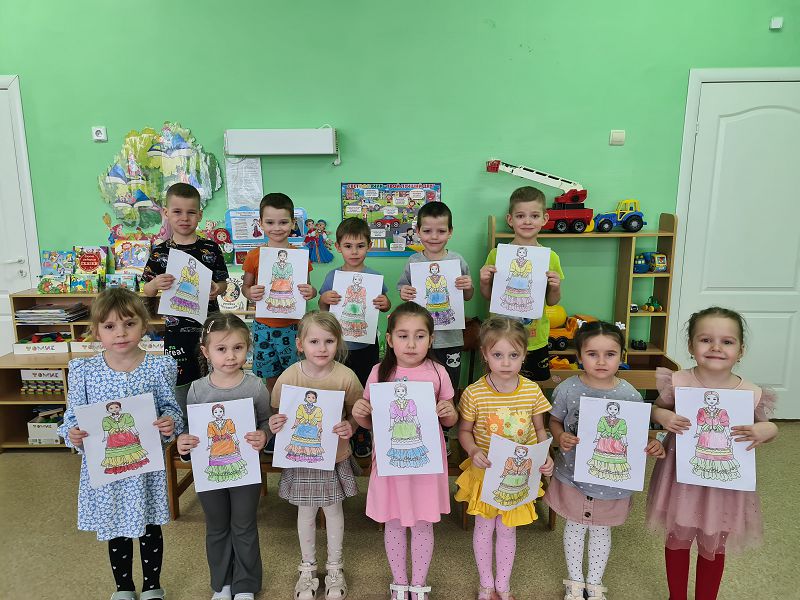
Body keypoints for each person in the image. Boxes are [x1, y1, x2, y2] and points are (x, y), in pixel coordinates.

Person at [59, 288, 182, 600]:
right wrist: (72, 433)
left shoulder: (159, 366)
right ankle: (123, 587)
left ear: (144, 324)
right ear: (96, 330)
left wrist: (169, 423)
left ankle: (153, 585)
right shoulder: (84, 371)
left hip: (146, 468)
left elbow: (172, 409)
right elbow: (72, 417)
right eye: (110, 326)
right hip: (108, 470)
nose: (120, 333)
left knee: (150, 526)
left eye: (129, 323)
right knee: (115, 528)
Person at [647, 307, 778, 600]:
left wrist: (766, 430)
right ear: (691, 346)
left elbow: (769, 428)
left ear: (740, 350)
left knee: (714, 543)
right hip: (681, 477)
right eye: (706, 340)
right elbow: (657, 409)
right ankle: (676, 597)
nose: (716, 347)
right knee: (678, 537)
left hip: (724, 484)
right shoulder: (678, 381)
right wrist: (662, 416)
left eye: (727, 342)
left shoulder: (750, 392)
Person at [546, 321, 666, 600]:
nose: (601, 361)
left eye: (610, 354)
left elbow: (637, 433)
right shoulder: (567, 389)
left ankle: (594, 583)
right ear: (579, 356)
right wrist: (560, 436)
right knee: (574, 528)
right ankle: (575, 583)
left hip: (611, 479)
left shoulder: (630, 394)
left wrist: (652, 444)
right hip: (573, 475)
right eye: (592, 354)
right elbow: (554, 421)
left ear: (621, 355)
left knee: (601, 531)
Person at [352, 302, 458, 600]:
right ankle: (399, 583)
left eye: (420, 336)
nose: (411, 344)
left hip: (426, 462)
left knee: (423, 523)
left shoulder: (438, 372)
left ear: (431, 339)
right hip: (391, 463)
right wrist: (361, 413)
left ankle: (419, 584)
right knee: (395, 522)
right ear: (389, 339)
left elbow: (450, 420)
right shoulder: (378, 372)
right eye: (402, 336)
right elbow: (370, 422)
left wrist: (448, 412)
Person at [454, 317, 554, 600]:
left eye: (514, 355)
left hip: (519, 476)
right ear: (485, 355)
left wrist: (545, 455)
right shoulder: (474, 393)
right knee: (484, 529)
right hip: (485, 474)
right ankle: (486, 584)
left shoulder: (532, 391)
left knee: (508, 531)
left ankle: (503, 584)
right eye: (498, 355)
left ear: (524, 354)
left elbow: (540, 429)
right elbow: (464, 431)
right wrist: (473, 451)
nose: (506, 362)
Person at [268, 311, 361, 600]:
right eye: (314, 341)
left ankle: (335, 567)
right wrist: (274, 423)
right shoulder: (290, 376)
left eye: (329, 341)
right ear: (300, 344)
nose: (322, 348)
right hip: (300, 458)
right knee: (305, 512)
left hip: (334, 457)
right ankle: (307, 568)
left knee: (333, 511)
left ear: (338, 343)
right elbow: (278, 413)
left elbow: (358, 413)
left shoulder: (346, 376)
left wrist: (351, 425)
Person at [176, 314, 270, 600]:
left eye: (238, 348)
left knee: (243, 525)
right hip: (210, 470)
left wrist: (264, 435)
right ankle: (222, 583)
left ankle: (245, 585)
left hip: (245, 469)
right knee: (216, 526)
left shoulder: (256, 386)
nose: (230, 356)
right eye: (221, 349)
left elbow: (266, 422)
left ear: (247, 348)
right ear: (206, 352)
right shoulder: (197, 389)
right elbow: (189, 429)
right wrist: (183, 442)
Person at [142, 182, 229, 426]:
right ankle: (184, 429)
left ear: (200, 215)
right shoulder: (160, 252)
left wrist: (217, 288)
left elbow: (223, 283)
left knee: (215, 375)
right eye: (177, 212)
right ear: (166, 213)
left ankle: (212, 423)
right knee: (180, 381)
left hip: (209, 327)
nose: (184, 218)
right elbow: (146, 289)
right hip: (176, 330)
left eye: (191, 212)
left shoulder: (210, 248)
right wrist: (156, 283)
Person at [319, 217, 392, 458]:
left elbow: (385, 305)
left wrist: (385, 303)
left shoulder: (375, 276)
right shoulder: (332, 276)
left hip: (366, 344)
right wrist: (324, 299)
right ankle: (339, 428)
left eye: (360, 246)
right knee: (339, 387)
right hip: (338, 346)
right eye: (348, 246)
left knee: (363, 388)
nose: (354, 251)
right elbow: (323, 309)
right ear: (338, 247)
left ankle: (361, 431)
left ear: (369, 246)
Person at [479, 186, 564, 382]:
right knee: (499, 385)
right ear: (510, 220)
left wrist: (555, 286)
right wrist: (484, 282)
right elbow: (489, 296)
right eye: (520, 216)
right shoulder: (497, 254)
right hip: (501, 337)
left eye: (534, 216)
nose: (527, 221)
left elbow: (552, 301)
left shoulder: (550, 257)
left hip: (535, 339)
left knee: (533, 388)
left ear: (544, 219)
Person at [242, 193, 316, 393]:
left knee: (296, 374)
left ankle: (293, 406)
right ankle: (273, 408)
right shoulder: (254, 255)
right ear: (260, 223)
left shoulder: (300, 256)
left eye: (283, 222)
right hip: (263, 326)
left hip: (293, 327)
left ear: (293, 223)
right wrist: (250, 292)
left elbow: (309, 289)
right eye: (270, 222)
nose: (277, 228)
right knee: (270, 376)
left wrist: (311, 292)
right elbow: (245, 287)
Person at [398, 201, 473, 392]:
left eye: (441, 231)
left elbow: (468, 296)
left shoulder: (457, 260)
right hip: (419, 339)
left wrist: (468, 286)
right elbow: (404, 292)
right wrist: (404, 292)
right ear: (418, 231)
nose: (434, 237)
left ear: (450, 232)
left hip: (451, 339)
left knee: (449, 386)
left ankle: (448, 413)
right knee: (422, 385)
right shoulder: (413, 261)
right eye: (427, 231)